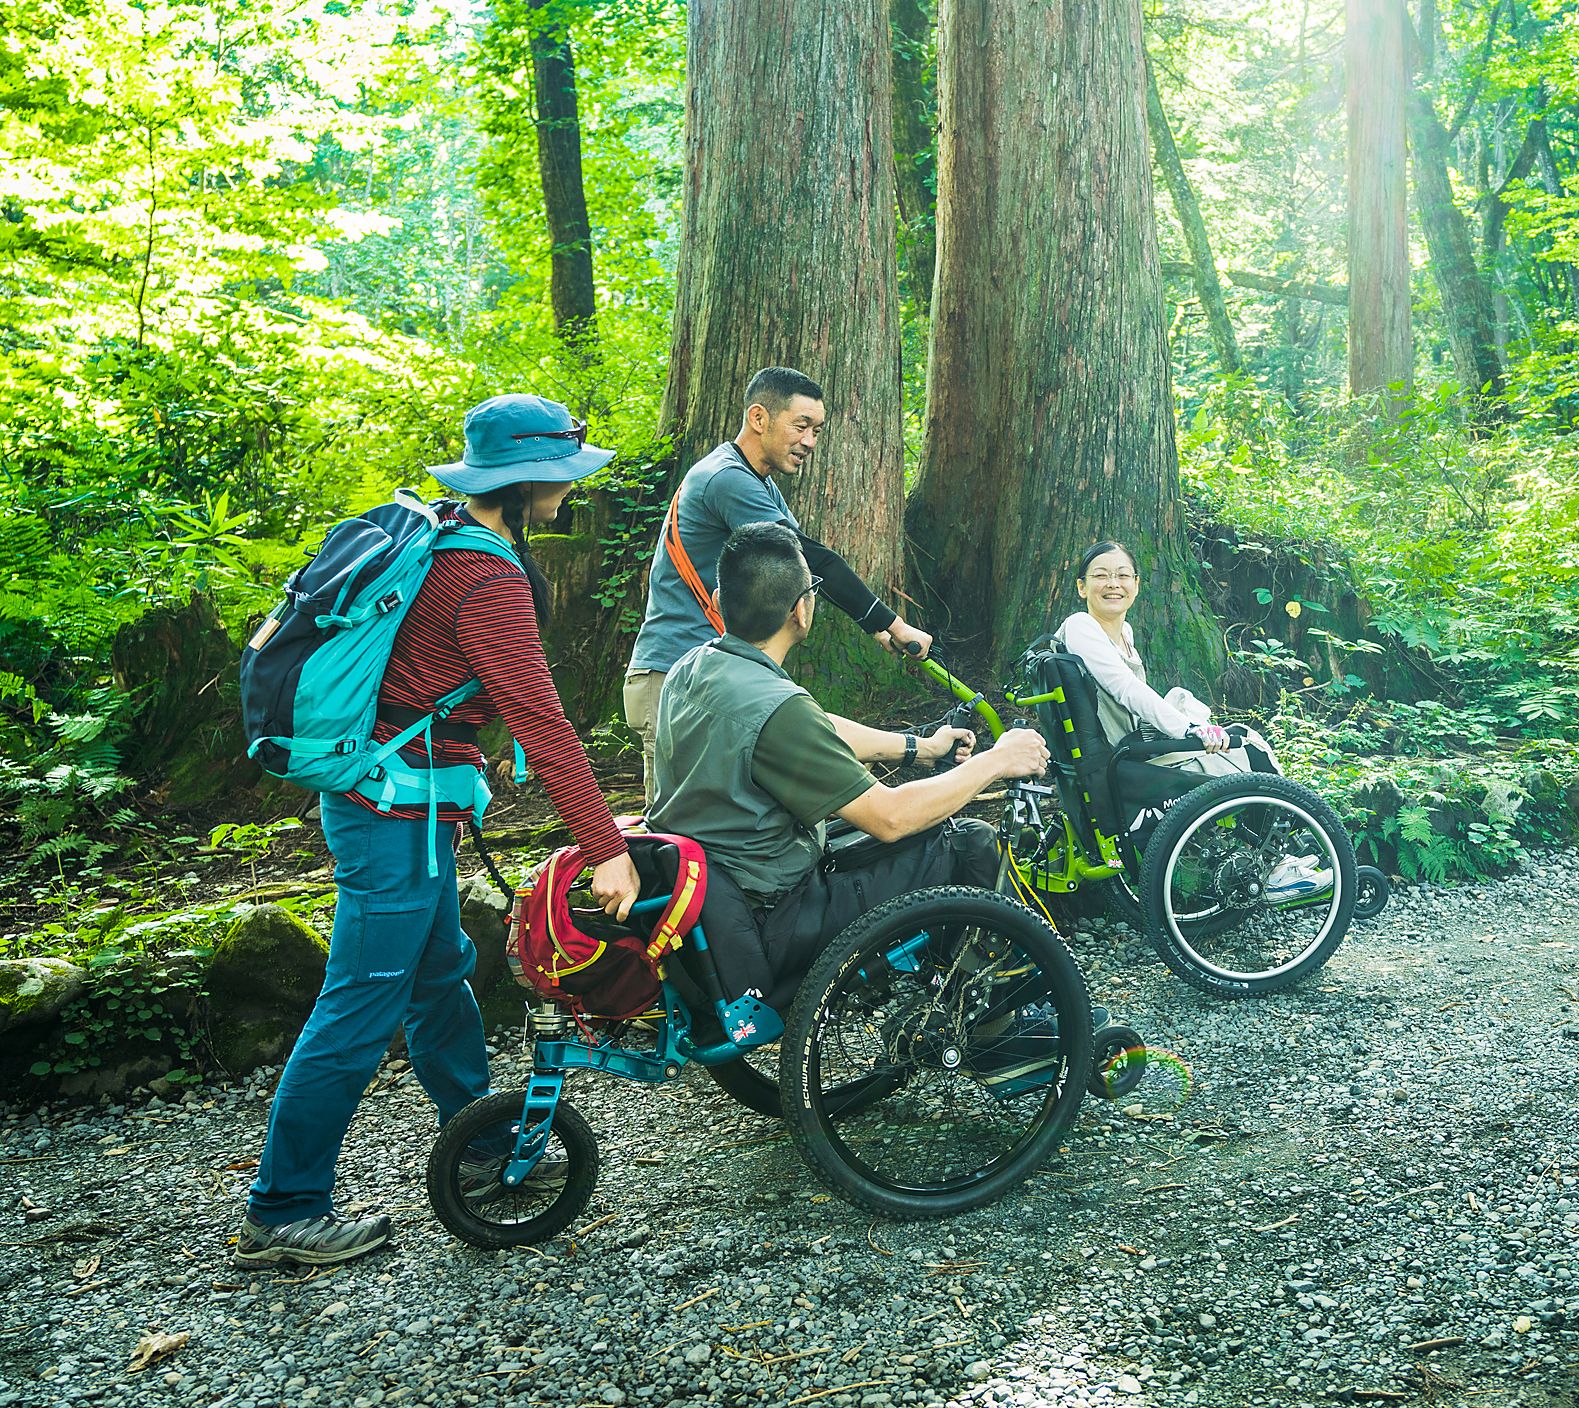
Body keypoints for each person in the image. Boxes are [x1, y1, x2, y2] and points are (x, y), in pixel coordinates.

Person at [237, 395, 642, 1270]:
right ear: (524, 478)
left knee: (439, 977)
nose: (569, 491)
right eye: (561, 476)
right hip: (393, 817)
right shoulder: (488, 577)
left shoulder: (446, 540)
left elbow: (440, 688)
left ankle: (489, 1143)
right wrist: (608, 848)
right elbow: (541, 717)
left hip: (401, 804)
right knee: (360, 1002)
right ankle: (284, 1205)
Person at [646, 523, 1050, 1014]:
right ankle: (988, 1020)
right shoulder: (775, 707)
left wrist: (917, 748)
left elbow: (816, 725)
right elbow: (891, 817)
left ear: (717, 599)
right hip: (777, 917)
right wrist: (996, 761)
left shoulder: (693, 668)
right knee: (968, 843)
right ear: (801, 609)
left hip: (717, 908)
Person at [624, 368, 933, 799]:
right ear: (759, 418)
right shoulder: (726, 478)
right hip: (674, 674)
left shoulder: (757, 481)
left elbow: (802, 568)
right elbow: (804, 557)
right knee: (680, 836)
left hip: (714, 674)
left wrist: (879, 627)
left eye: (817, 431)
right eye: (801, 425)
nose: (810, 441)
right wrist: (892, 624)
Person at [1055, 541, 1329, 904]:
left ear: (1136, 584)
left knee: (1240, 738)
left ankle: (1273, 858)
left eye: (1122, 575)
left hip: (1132, 748)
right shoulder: (1080, 626)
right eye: (1100, 576)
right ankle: (1273, 868)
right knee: (1249, 748)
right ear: (1081, 586)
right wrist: (1186, 730)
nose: (1113, 584)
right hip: (1127, 760)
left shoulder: (1124, 634)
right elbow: (1125, 690)